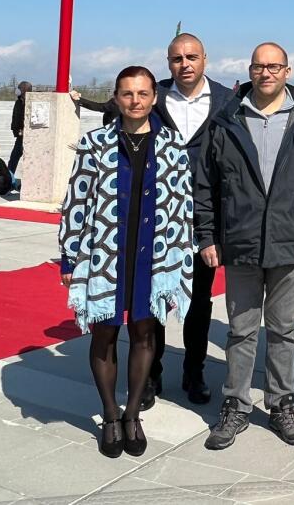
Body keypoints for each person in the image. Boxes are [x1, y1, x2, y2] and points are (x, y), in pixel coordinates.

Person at [196, 42, 294, 450]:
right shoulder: (226, 120)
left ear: (287, 70)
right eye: (259, 67)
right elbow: (205, 184)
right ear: (249, 70)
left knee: (283, 330)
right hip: (240, 244)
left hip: (290, 242)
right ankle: (236, 405)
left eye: (274, 66)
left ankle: (281, 403)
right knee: (241, 331)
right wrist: (207, 235)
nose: (266, 73)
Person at [58, 66, 195, 459]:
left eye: (142, 93)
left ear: (155, 97)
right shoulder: (95, 143)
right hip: (105, 253)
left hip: (152, 256)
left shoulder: (172, 144)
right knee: (103, 335)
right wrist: (69, 254)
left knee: (144, 334)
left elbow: (183, 206)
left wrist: (181, 256)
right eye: (127, 93)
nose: (135, 101)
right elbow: (76, 201)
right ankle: (109, 414)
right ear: (116, 97)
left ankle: (133, 413)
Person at [147, 33, 234, 409]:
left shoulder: (228, 102)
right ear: (168, 63)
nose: (185, 64)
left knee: (199, 302)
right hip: (158, 218)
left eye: (192, 57)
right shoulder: (152, 98)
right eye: (177, 58)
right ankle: (150, 374)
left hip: (204, 221)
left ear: (205, 59)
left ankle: (194, 372)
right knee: (155, 298)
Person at [8, 81, 32, 174]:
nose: (17, 89)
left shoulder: (31, 102)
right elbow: (15, 117)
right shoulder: (19, 101)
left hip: (28, 136)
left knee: (28, 160)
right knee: (13, 158)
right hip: (20, 135)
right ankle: (9, 179)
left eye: (19, 87)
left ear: (24, 89)